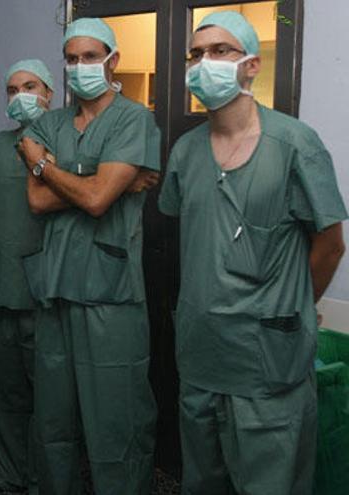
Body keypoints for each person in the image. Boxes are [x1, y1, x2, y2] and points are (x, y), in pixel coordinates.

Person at [158, 11, 346, 494]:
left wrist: (296, 306)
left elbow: (330, 245)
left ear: (251, 66)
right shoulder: (185, 152)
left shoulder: (294, 144)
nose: (204, 63)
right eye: (196, 54)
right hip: (202, 356)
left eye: (220, 51)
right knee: (202, 480)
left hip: (266, 365)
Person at [17, 17, 160, 495]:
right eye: (72, 59)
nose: (80, 68)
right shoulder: (50, 123)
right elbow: (38, 202)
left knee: (116, 423)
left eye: (90, 57)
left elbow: (97, 200)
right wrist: (102, 181)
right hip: (56, 289)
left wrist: (43, 164)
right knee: (53, 422)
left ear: (113, 61)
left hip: (110, 296)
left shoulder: (135, 119)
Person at [0, 59, 54, 495]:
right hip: (2, 287)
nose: (20, 95)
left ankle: (45, 477)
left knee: (49, 398)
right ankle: (10, 471)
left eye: (29, 85)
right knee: (4, 392)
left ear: (50, 92)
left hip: (46, 296)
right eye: (12, 89)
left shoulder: (65, 140)